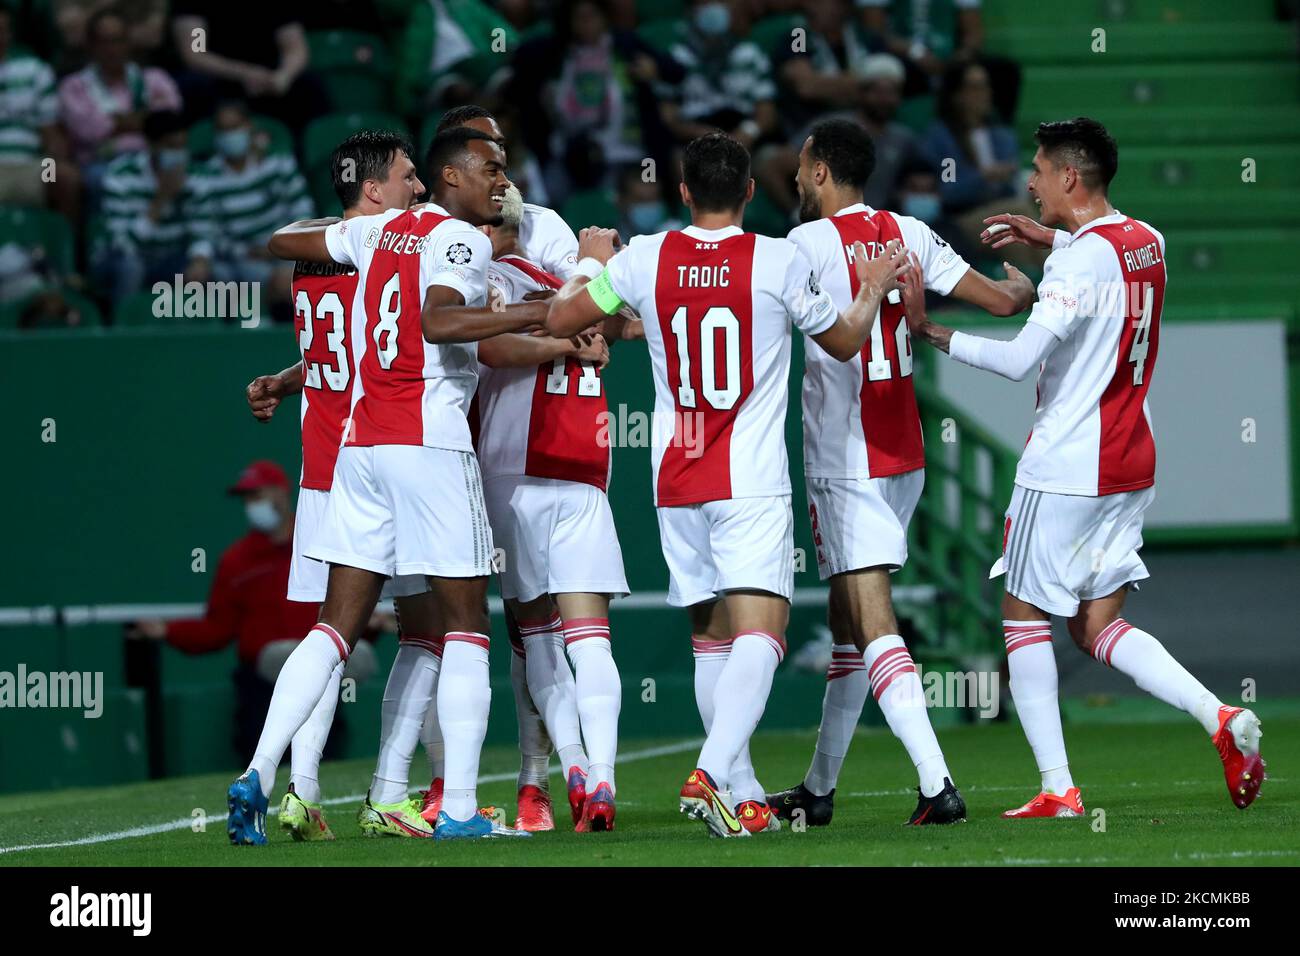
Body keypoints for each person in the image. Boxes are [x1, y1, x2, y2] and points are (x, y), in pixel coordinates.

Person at [546, 131, 908, 837]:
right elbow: (842, 340)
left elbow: (563, 319)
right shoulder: (776, 259)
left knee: (710, 637)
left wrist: (600, 279)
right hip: (749, 477)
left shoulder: (645, 257)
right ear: (749, 191)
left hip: (676, 473)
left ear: (682, 192)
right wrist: (868, 291)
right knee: (763, 634)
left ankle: (740, 797)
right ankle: (712, 772)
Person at [905, 117, 1265, 816]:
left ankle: (1057, 788)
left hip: (1068, 462)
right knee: (1095, 625)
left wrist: (931, 331)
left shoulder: (1078, 262)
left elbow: (1015, 362)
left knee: (1021, 610)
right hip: (1133, 459)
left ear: (1070, 177)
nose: (1030, 182)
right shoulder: (1147, 242)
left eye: (1038, 170)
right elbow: (1105, 262)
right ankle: (1219, 718)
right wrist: (1057, 238)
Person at [226, 126, 545, 845]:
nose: (498, 180)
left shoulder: (372, 235)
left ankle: (257, 771)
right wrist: (536, 310)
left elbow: (289, 244)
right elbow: (437, 321)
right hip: (427, 443)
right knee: (466, 626)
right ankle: (459, 809)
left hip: (359, 450)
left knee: (333, 628)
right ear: (448, 178)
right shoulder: (455, 239)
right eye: (487, 168)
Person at [763, 117, 1035, 826]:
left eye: (800, 165)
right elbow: (1005, 301)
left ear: (820, 170)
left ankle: (937, 783)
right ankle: (818, 791)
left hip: (844, 459)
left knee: (873, 622)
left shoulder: (802, 245)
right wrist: (1024, 281)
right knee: (852, 631)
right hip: (904, 454)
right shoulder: (910, 232)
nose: (795, 177)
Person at [243, 129, 438, 842]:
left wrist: (284, 378)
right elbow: (385, 351)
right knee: (431, 631)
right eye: (407, 178)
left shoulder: (310, 260)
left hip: (321, 469)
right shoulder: (382, 255)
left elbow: (331, 349)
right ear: (376, 188)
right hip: (379, 462)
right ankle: (399, 792)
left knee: (326, 633)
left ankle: (298, 789)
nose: (419, 189)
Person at [476, 184, 634, 831]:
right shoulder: (582, 288)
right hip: (583, 469)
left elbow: (489, 348)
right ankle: (600, 779)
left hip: (511, 473)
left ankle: (570, 764)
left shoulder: (483, 280)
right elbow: (630, 325)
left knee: (536, 633)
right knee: (591, 639)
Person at [129, 460, 370, 762]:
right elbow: (217, 628)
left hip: (319, 679)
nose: (252, 505)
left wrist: (370, 623)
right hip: (260, 688)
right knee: (262, 765)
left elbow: (343, 611)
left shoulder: (319, 543)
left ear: (281, 493)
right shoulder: (237, 561)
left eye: (257, 495)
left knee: (321, 762)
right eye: (247, 499)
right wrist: (168, 631)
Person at [192, 99, 313, 322]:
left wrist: (284, 248)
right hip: (243, 258)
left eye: (235, 127)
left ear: (248, 127)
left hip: (286, 251)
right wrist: (245, 252)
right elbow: (207, 233)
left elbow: (302, 211)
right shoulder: (206, 179)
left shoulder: (277, 163)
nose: (231, 136)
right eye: (224, 130)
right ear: (216, 135)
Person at [94, 110, 214, 305]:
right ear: (151, 145)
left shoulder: (195, 176)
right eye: (171, 146)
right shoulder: (120, 176)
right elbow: (122, 245)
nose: (178, 153)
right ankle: (122, 329)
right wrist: (161, 200)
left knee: (211, 271)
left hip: (172, 258)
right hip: (120, 260)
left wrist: (200, 260)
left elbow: (202, 232)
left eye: (182, 146)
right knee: (131, 267)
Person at [58, 6, 182, 191]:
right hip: (102, 163)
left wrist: (117, 122)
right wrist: (144, 120)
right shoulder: (74, 86)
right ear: (91, 45)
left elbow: (169, 122)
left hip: (153, 160)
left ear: (128, 42)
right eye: (104, 41)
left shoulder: (155, 78)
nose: (111, 49)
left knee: (179, 170)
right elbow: (88, 131)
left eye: (118, 40)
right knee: (97, 178)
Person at [0, 8, 78, 217]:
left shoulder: (35, 71)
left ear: (10, 34)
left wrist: (54, 158)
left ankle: (59, 243)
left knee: (63, 176)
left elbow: (50, 133)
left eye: (3, 31)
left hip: (34, 164)